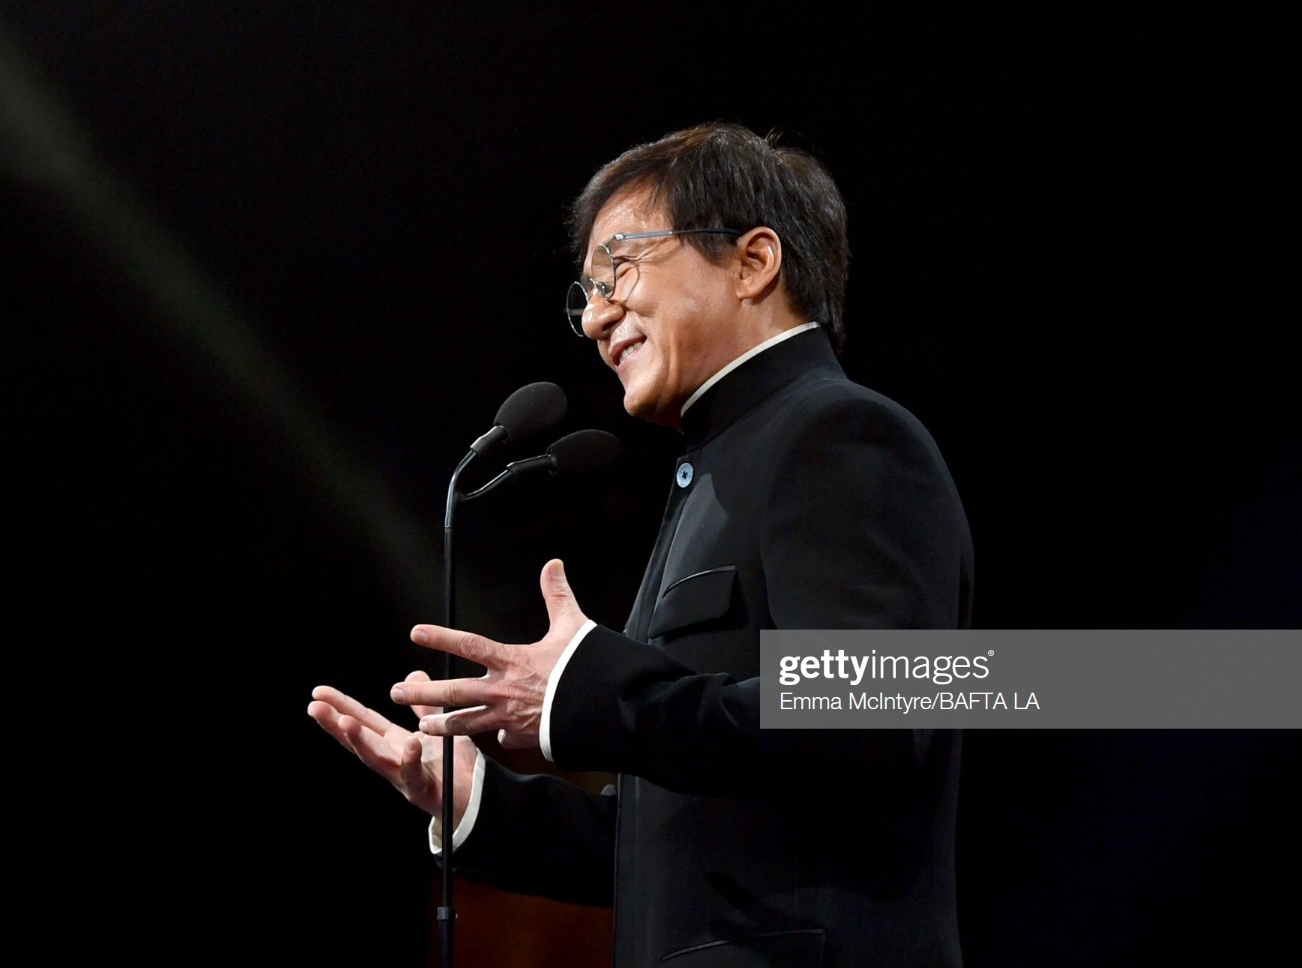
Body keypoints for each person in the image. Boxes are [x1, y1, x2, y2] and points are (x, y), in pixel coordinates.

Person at [309, 122, 974, 967]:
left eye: (620, 267)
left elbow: (864, 718)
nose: (594, 317)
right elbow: (681, 844)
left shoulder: (840, 437)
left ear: (753, 262)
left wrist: (588, 691)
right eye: (583, 291)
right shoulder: (717, 472)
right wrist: (479, 803)